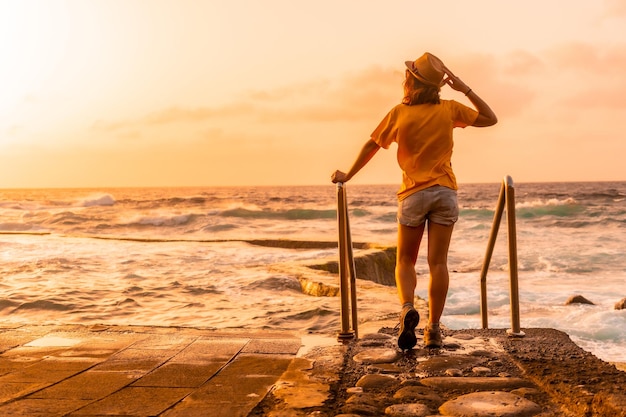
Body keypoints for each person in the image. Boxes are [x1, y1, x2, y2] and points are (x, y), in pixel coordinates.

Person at [331, 52, 497, 350]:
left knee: (405, 261)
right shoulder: (449, 109)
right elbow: (490, 118)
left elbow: (372, 145)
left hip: (412, 195)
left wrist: (348, 174)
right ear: (438, 86)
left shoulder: (399, 113)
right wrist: (465, 89)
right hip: (445, 192)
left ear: (410, 81)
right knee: (438, 263)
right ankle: (433, 330)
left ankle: (407, 307)